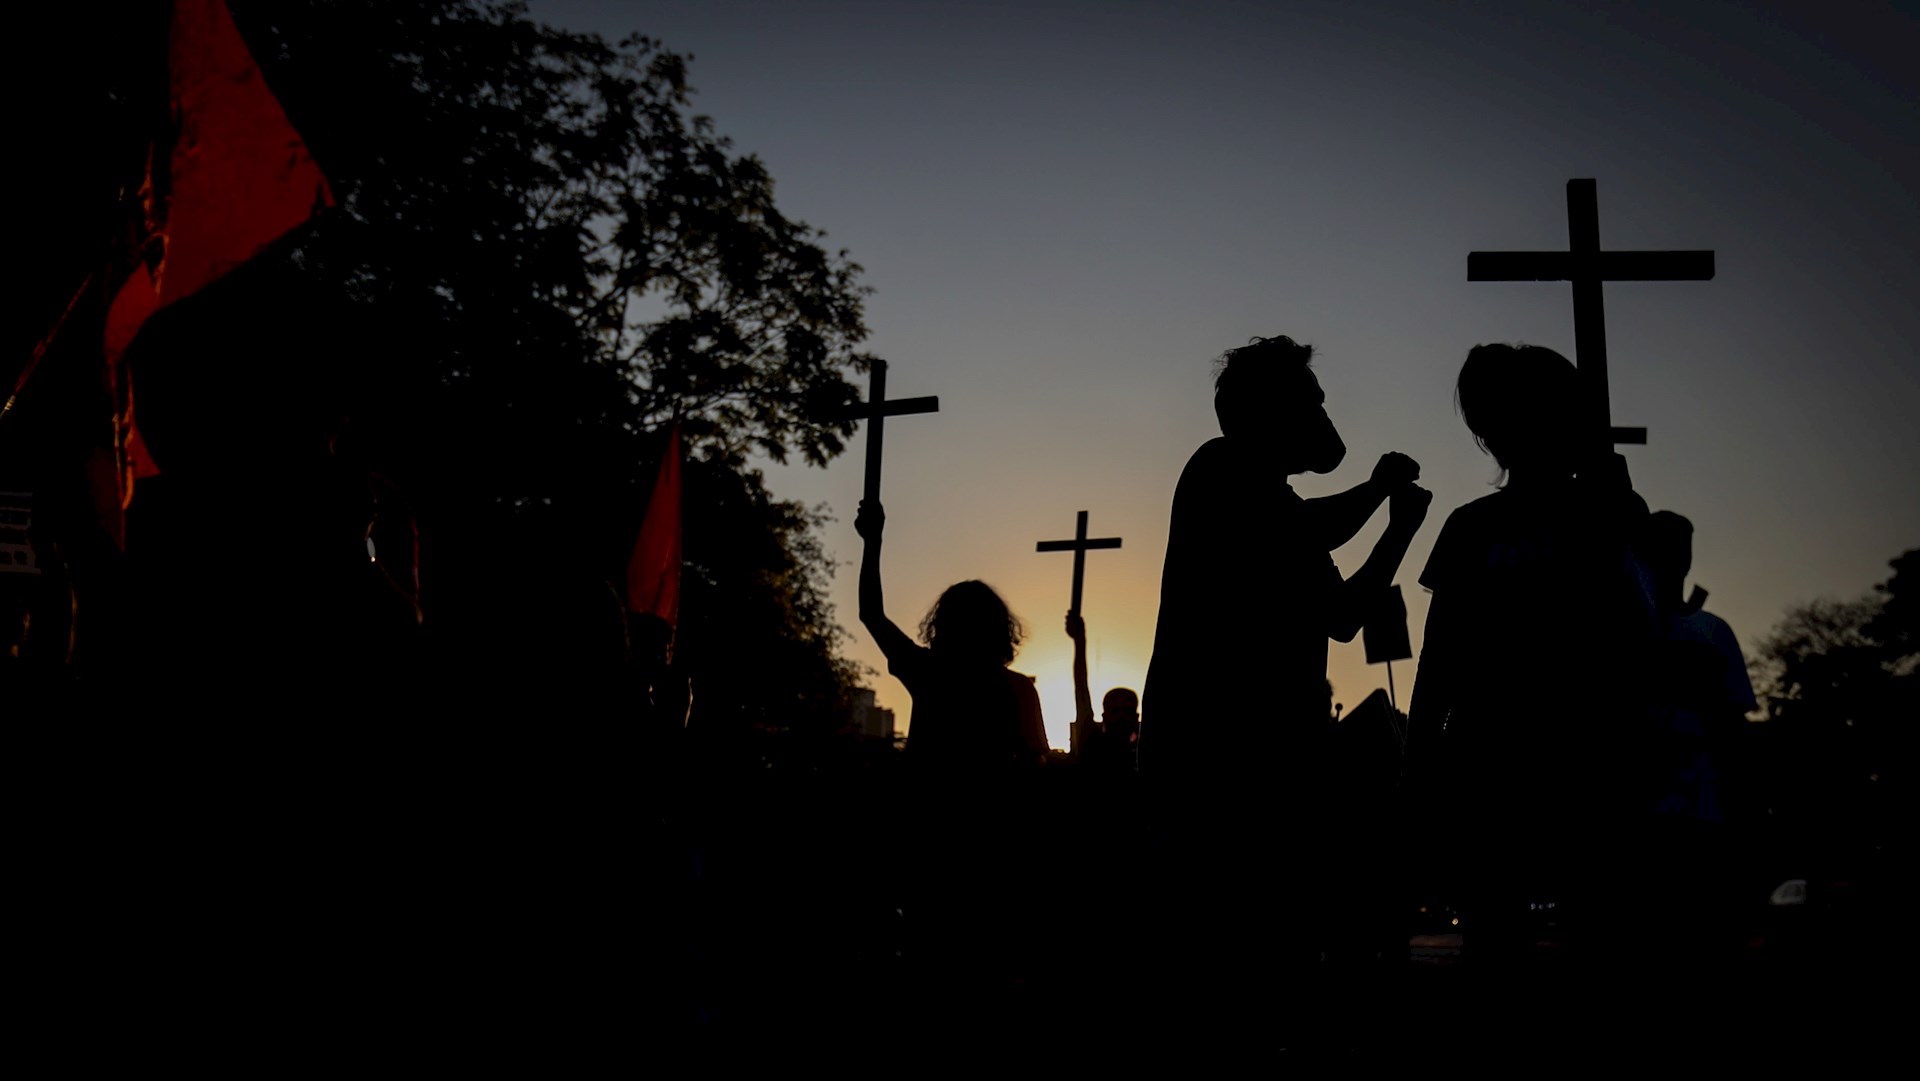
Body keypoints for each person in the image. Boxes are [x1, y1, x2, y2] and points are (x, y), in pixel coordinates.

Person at [1136, 333, 1429, 1045]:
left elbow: (1343, 616)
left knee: (1275, 959)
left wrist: (1399, 530)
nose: (1328, 413)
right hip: (1214, 772)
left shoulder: (1280, 510)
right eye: (1313, 400)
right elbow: (1318, 525)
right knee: (1222, 961)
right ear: (1272, 413)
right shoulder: (1221, 472)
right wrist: (1379, 493)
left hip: (1274, 774)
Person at [1405, 343, 1657, 976]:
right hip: (1496, 757)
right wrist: (1420, 762)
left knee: (1598, 930)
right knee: (1501, 934)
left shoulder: (1611, 515)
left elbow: (1642, 633)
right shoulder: (1473, 526)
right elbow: (1440, 659)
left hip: (1589, 753)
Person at [855, 498, 1046, 770]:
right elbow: (1033, 761)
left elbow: (871, 614)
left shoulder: (927, 672)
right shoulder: (1018, 688)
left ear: (941, 625)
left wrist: (872, 542)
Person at [1065, 610, 1139, 772]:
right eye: (1116, 710)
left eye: (1127, 711)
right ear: (1104, 715)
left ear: (1136, 718)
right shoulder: (1091, 741)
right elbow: (1081, 689)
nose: (1121, 717)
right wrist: (1080, 641)